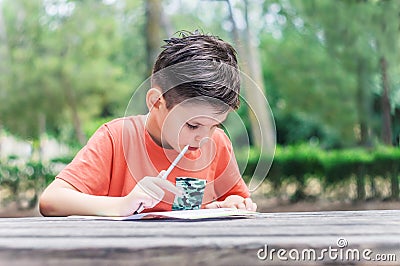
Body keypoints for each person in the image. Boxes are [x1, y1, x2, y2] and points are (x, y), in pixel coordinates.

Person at [39, 31, 257, 217]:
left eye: (216, 125)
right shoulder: (116, 138)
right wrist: (122, 204)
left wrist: (233, 205)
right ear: (156, 102)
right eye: (192, 125)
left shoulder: (217, 143)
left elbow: (236, 198)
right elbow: (51, 200)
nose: (204, 137)